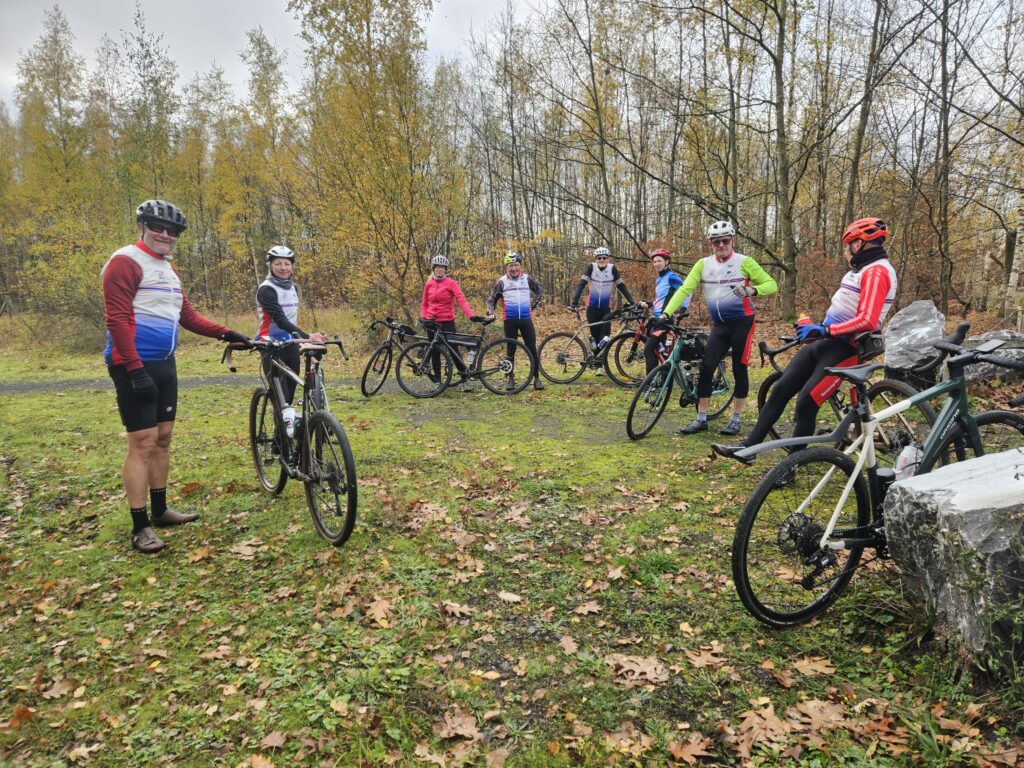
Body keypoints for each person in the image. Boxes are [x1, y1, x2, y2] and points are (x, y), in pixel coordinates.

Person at [102, 200, 252, 554]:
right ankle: (140, 527)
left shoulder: (168, 270)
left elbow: (186, 315)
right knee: (142, 443)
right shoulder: (125, 261)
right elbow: (117, 319)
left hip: (165, 363)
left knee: (164, 438)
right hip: (132, 364)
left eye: (172, 232)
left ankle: (160, 510)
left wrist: (226, 333)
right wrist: (135, 369)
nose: (165, 235)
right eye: (158, 228)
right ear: (143, 226)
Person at [713, 217, 897, 461]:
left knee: (806, 402)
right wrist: (814, 328)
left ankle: (792, 466)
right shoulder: (860, 270)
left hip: (848, 347)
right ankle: (749, 448)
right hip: (827, 341)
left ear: (861, 244)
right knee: (780, 390)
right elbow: (845, 310)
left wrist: (825, 331)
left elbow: (868, 320)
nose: (845, 251)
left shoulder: (877, 272)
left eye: (848, 245)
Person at [661, 220, 777, 436]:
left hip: (742, 322)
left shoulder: (745, 262)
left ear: (732, 240)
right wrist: (666, 313)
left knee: (739, 367)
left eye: (725, 241)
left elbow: (771, 284)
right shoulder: (703, 264)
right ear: (710, 244)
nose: (721, 245)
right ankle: (701, 419)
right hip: (720, 325)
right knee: (706, 367)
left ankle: (735, 418)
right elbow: (685, 289)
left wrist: (753, 291)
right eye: (716, 242)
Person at [255, 245, 326, 436]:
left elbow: (291, 319)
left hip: (290, 344)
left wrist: (302, 338)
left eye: (287, 264)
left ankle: (282, 439)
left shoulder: (294, 287)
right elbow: (280, 319)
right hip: (270, 344)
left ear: (292, 266)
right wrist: (306, 336)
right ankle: (284, 438)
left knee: (292, 393)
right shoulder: (267, 289)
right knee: (282, 397)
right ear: (270, 266)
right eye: (278, 264)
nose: (283, 268)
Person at [420, 254, 484, 391]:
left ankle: (464, 379)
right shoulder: (428, 284)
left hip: (447, 321)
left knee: (453, 350)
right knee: (435, 351)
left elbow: (461, 300)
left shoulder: (451, 283)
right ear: (433, 268)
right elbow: (425, 303)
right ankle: (437, 382)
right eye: (437, 267)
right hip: (431, 322)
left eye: (442, 268)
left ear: (445, 269)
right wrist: (423, 317)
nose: (440, 270)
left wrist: (470, 315)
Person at [569, 246, 635, 373]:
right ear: (596, 259)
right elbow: (581, 284)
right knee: (595, 336)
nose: (601, 260)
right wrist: (574, 301)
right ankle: (598, 365)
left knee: (605, 337)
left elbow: (621, 286)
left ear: (608, 258)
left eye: (604, 258)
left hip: (606, 309)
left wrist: (632, 302)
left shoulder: (612, 269)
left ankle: (602, 363)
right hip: (592, 308)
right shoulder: (591, 268)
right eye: (599, 258)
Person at [485, 251, 545, 390]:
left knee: (531, 349)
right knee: (510, 350)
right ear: (507, 267)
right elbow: (491, 300)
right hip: (510, 320)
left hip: (525, 319)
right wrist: (491, 313)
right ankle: (510, 379)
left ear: (520, 265)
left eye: (516, 265)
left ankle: (536, 378)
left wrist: (533, 304)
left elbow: (539, 290)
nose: (514, 268)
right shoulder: (502, 282)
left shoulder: (527, 279)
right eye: (510, 265)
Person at [644, 248, 688, 374]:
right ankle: (664, 377)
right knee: (659, 350)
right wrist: (649, 304)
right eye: (654, 262)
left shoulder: (671, 277)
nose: (656, 264)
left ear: (667, 262)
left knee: (649, 349)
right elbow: (661, 299)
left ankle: (650, 382)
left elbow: (687, 291)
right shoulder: (659, 279)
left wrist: (682, 309)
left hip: (665, 319)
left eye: (659, 261)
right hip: (656, 318)